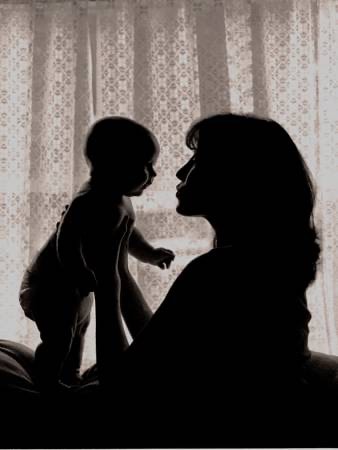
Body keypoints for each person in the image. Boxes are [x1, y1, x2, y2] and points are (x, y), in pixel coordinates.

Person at [84, 113, 338, 447]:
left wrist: (103, 280)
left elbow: (121, 386)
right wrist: (117, 266)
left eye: (196, 161)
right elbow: (155, 349)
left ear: (234, 176)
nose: (179, 173)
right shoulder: (257, 263)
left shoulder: (222, 271)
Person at [18, 116, 175, 392]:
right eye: (146, 165)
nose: (154, 174)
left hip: (76, 289)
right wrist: (78, 270)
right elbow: (66, 241)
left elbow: (126, 234)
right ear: (115, 165)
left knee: (77, 332)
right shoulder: (88, 200)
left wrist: (149, 254)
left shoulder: (119, 201)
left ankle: (70, 375)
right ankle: (48, 380)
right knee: (60, 336)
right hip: (49, 286)